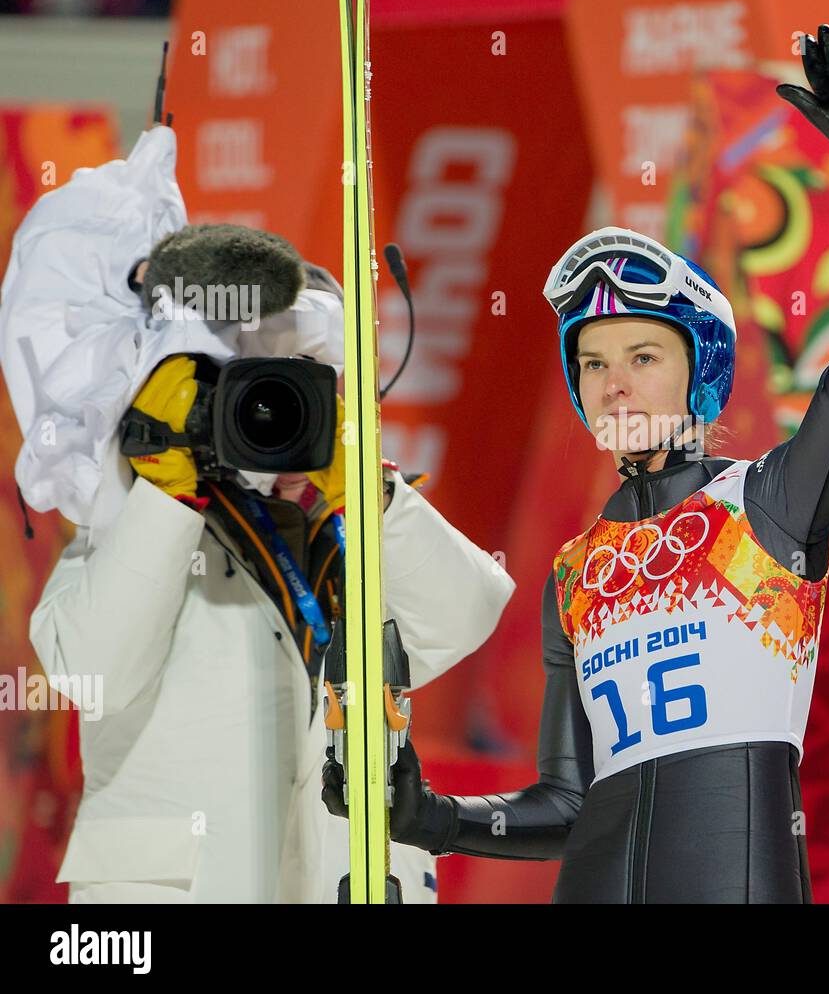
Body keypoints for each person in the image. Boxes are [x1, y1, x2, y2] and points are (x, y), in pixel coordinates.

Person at [324, 22, 829, 903]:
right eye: (593, 362)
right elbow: (566, 803)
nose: (614, 384)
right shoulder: (574, 572)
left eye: (643, 357)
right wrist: (432, 819)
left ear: (700, 374)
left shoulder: (767, 504)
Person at [24, 223, 517, 903]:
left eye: (303, 395)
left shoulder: (363, 531)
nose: (275, 421)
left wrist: (370, 488)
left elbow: (465, 614)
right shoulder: (126, 518)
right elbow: (92, 673)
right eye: (254, 394)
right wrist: (170, 493)